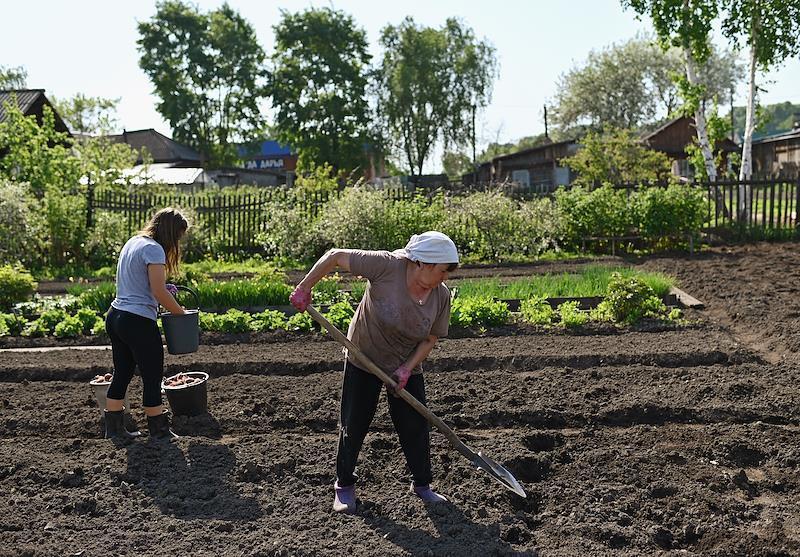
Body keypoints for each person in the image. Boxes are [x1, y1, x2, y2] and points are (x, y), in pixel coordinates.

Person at [290, 231, 458, 513]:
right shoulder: (386, 266)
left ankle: (422, 485)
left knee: (415, 425)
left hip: (404, 362)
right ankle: (344, 485)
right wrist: (305, 287)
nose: (446, 278)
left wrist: (406, 369)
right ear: (425, 264)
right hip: (363, 356)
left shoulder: (440, 296)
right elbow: (335, 256)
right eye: (443, 271)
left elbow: (430, 338)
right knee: (354, 422)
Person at [103, 207, 188, 442]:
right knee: (152, 376)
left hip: (116, 315)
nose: (178, 242)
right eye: (178, 237)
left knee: (122, 372)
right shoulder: (154, 249)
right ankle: (159, 431)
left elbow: (143, 284)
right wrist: (181, 313)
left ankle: (114, 429)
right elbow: (159, 291)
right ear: (171, 232)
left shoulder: (133, 242)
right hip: (137, 321)